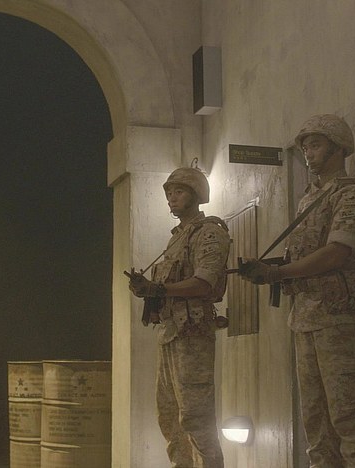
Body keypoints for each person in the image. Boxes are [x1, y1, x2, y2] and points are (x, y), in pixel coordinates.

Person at [238, 114, 355, 467]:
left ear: (338, 148)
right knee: (315, 421)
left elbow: (337, 252)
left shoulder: (352, 194)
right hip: (305, 317)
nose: (308, 153)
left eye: (315, 145)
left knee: (350, 416)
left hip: (338, 319)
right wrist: (272, 268)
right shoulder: (309, 200)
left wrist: (278, 273)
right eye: (305, 148)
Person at [127, 167, 231, 468]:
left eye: (179, 191)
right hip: (171, 333)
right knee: (170, 416)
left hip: (193, 335)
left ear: (196, 195)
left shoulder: (209, 232)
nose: (172, 197)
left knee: (196, 418)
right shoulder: (177, 239)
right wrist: (147, 289)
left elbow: (205, 282)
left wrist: (160, 288)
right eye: (169, 192)